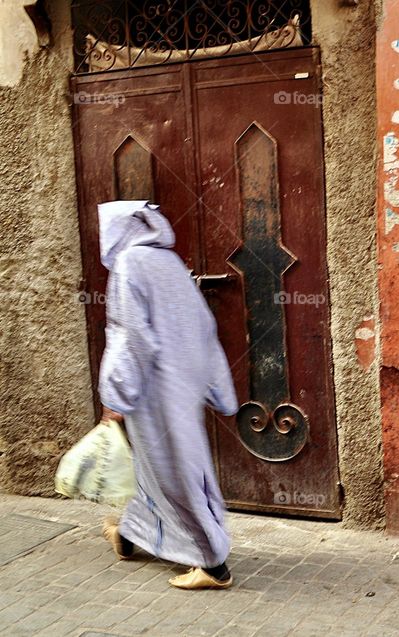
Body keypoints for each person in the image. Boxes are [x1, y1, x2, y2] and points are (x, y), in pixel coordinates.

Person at [95, 200, 238, 590]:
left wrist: (116, 395)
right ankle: (129, 534)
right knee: (157, 469)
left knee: (173, 473)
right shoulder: (169, 262)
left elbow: (130, 336)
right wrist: (214, 385)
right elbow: (203, 326)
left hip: (152, 389)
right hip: (181, 385)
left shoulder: (129, 265)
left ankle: (212, 565)